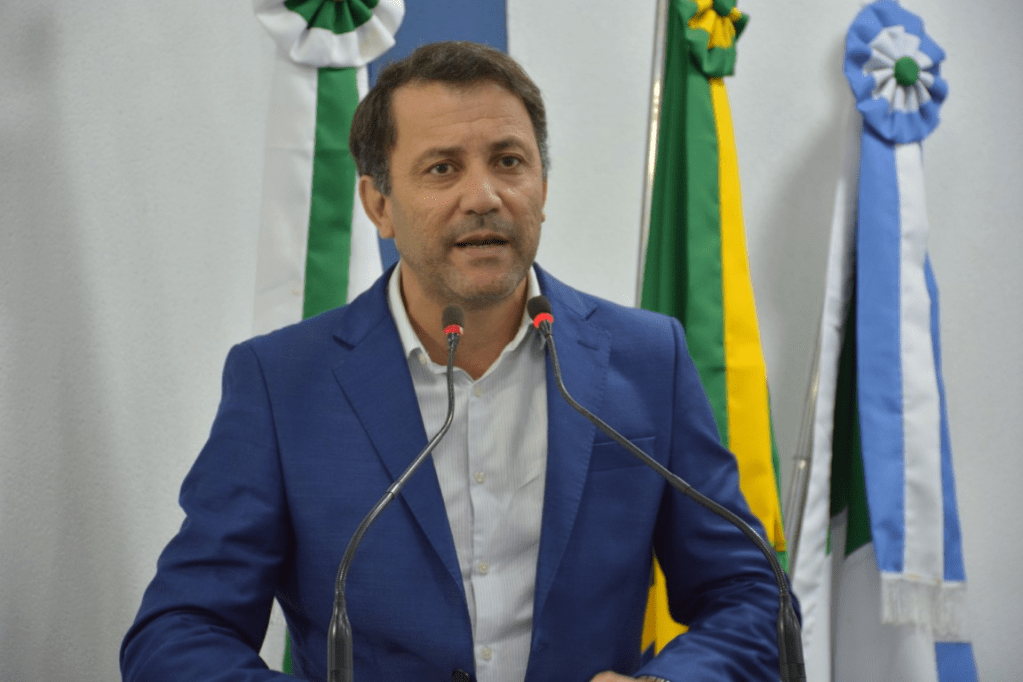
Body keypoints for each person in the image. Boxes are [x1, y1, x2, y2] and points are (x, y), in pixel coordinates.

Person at [121, 41, 785, 682]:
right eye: (442, 168)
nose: (484, 196)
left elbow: (750, 593)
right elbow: (178, 633)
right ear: (378, 205)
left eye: (508, 161)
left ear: (542, 187)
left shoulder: (646, 360)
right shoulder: (282, 383)